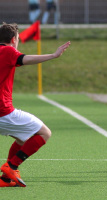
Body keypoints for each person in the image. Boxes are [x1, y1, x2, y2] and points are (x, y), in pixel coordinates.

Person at [0, 22, 70, 187]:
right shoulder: (8, 50)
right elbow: (24, 59)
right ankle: (11, 166)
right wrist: (53, 55)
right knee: (44, 133)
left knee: (23, 138)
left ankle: (6, 178)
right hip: (3, 112)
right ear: (13, 39)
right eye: (17, 39)